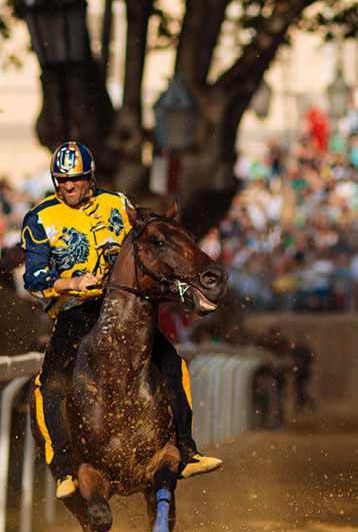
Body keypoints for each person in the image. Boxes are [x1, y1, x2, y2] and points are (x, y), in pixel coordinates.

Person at [21, 141, 223, 499]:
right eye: (61, 180)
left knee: (173, 364)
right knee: (49, 384)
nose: (68, 187)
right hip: (75, 313)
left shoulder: (117, 204)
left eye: (76, 180)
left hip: (128, 309)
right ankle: (65, 467)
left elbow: (153, 242)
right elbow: (34, 279)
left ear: (90, 177)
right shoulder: (39, 219)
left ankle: (187, 451)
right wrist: (73, 282)